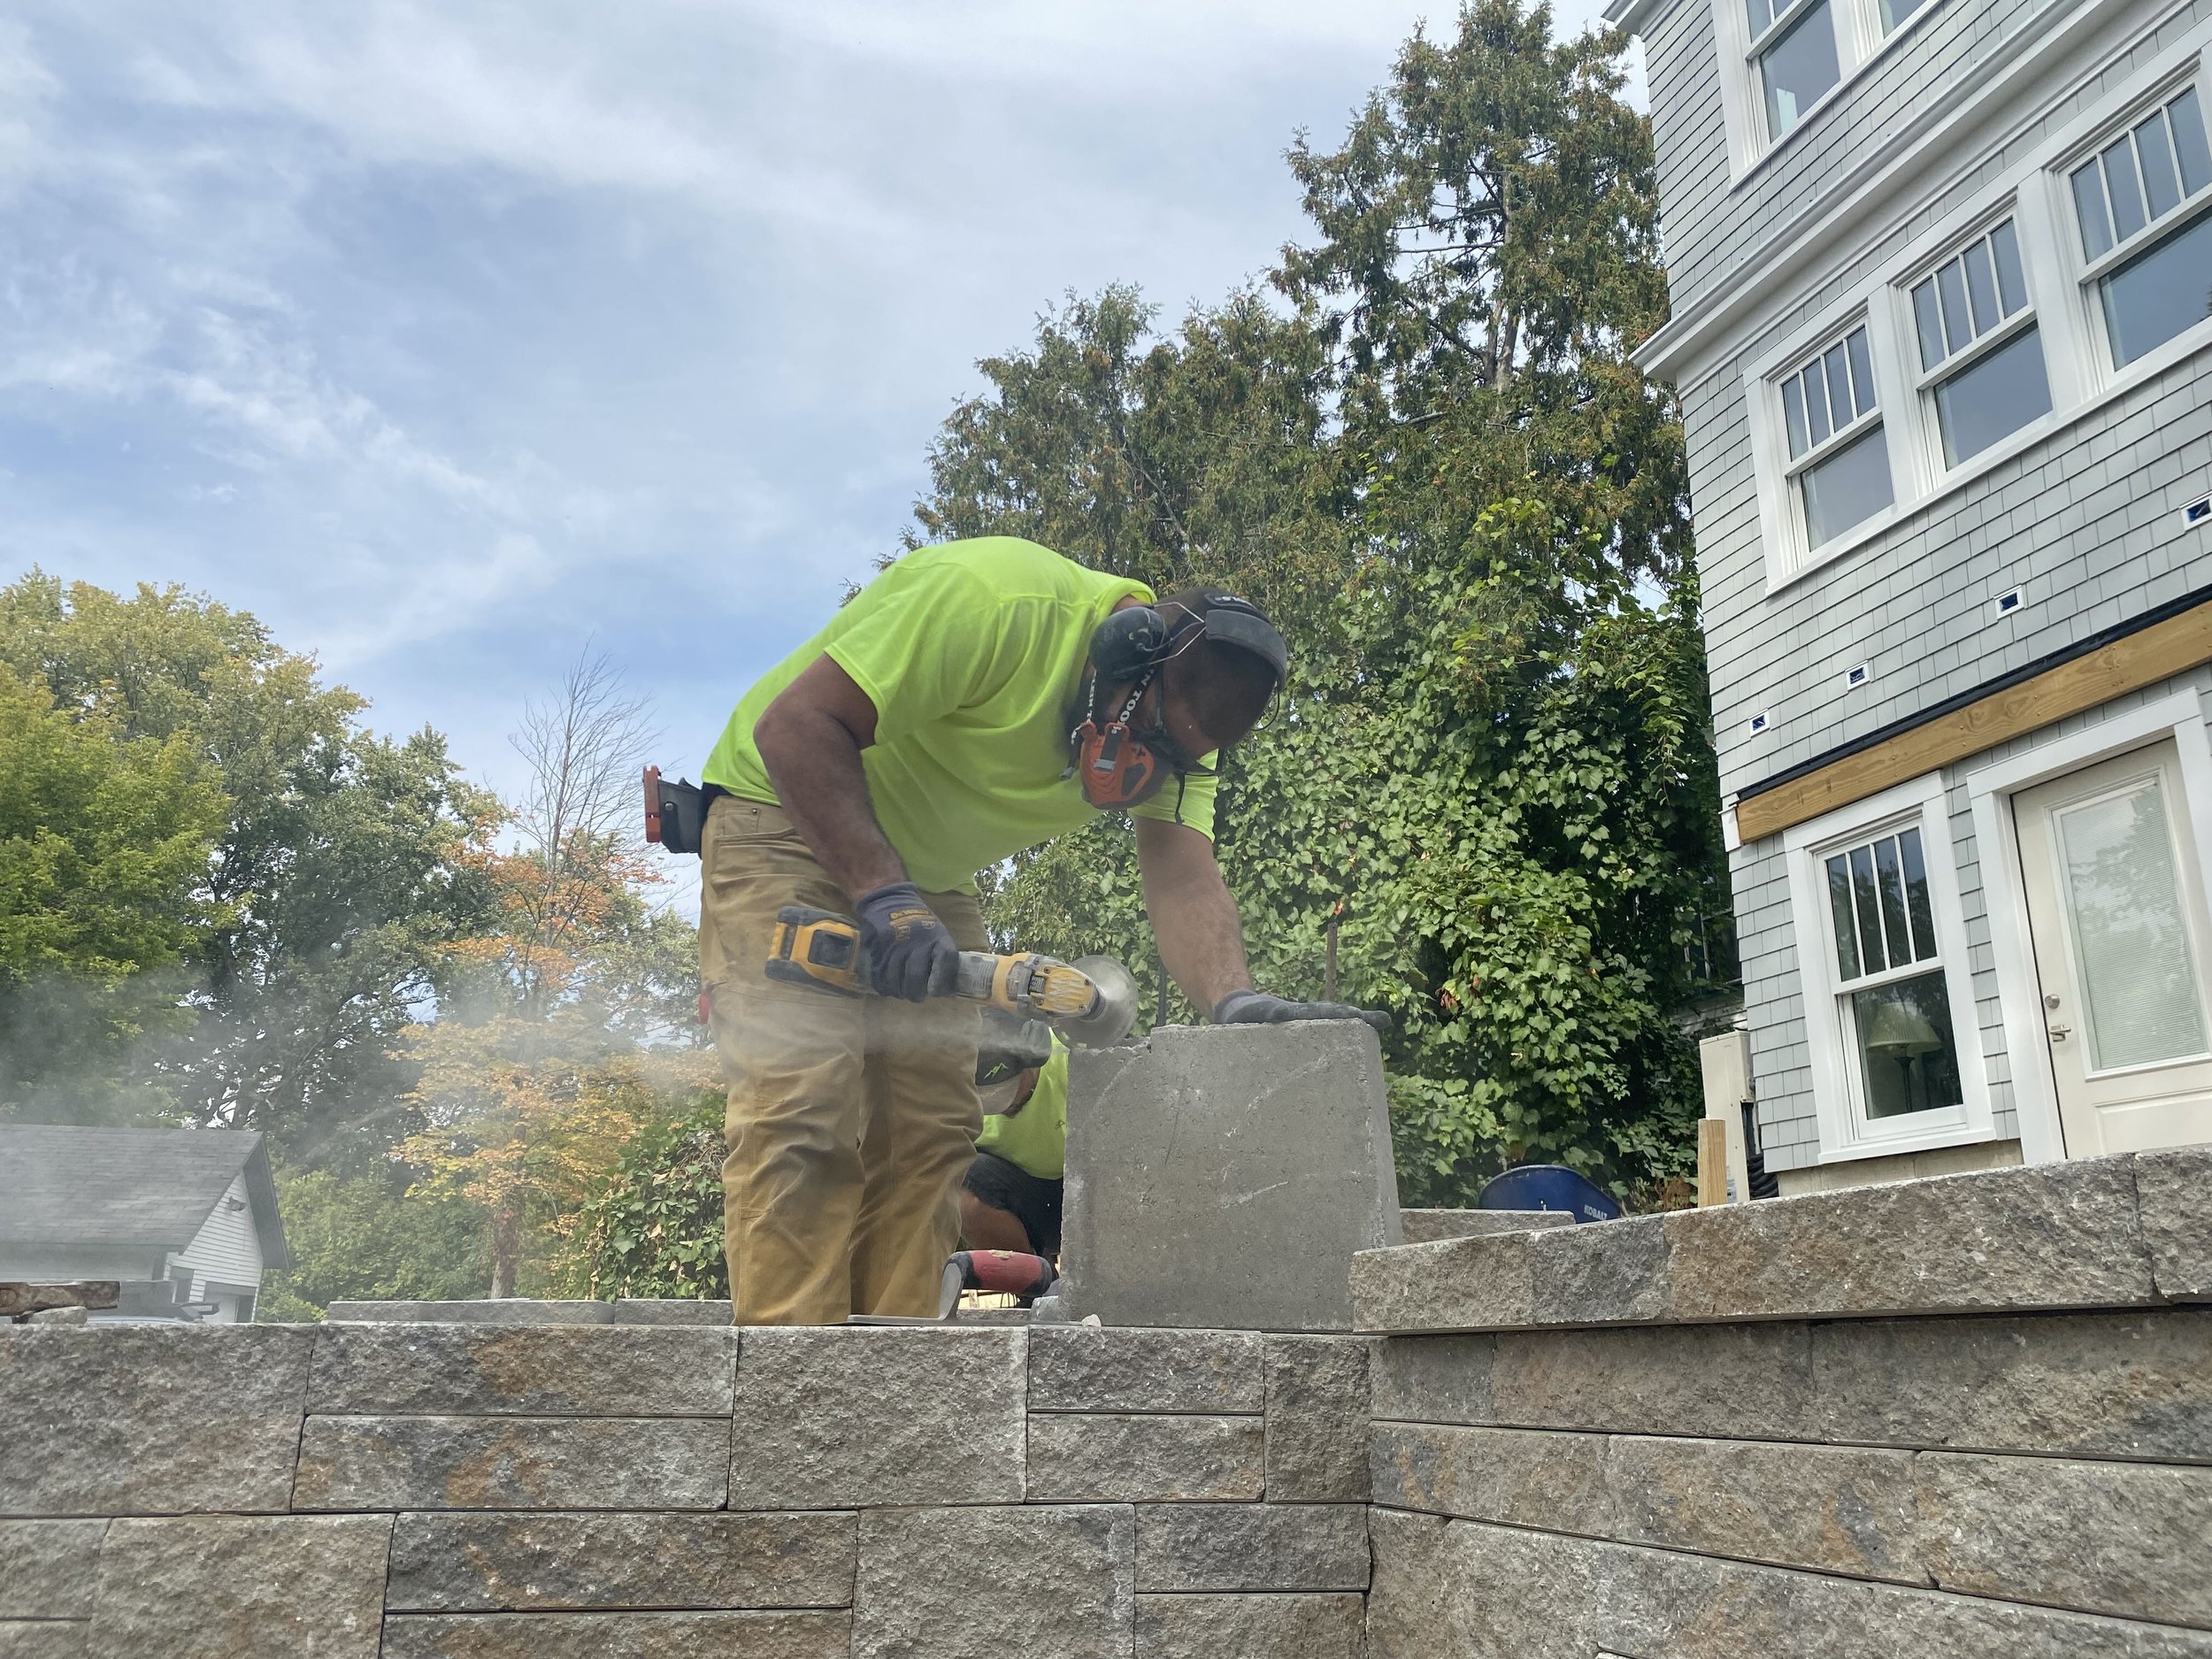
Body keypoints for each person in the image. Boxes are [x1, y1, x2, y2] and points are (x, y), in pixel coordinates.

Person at [695, 534, 1386, 1325]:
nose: (1148, 771)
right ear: (1127, 654)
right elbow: (795, 726)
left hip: (926, 872)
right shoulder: (996, 603)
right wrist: (884, 893)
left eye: (1175, 762)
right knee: (806, 1106)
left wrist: (1238, 1004)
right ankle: (790, 1387)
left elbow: (1184, 873)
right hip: (787, 810)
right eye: (1152, 741)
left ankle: (888, 1383)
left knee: (929, 1133)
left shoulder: (1184, 746)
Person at [962, 1017, 1067, 1259]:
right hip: (1026, 1206)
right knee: (959, 1179)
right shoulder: (960, 1102)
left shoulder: (1069, 1058)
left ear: (1032, 1063)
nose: (1001, 1106)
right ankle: (1037, 1285)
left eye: (1008, 1089)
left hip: (1088, 1196)